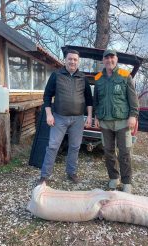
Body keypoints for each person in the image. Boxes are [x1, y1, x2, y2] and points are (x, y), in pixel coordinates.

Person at [39, 49, 93, 184]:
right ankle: (45, 176)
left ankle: (71, 172)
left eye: (75, 59)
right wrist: (49, 114)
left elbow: (89, 98)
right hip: (59, 117)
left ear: (78, 61)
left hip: (78, 119)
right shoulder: (56, 75)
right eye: (70, 59)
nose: (72, 61)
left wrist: (90, 116)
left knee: (75, 147)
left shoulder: (83, 78)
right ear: (65, 60)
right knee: (52, 146)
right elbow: (47, 96)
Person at [94, 49, 139, 193]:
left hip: (122, 122)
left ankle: (127, 181)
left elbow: (133, 99)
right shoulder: (98, 78)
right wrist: (96, 116)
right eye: (106, 58)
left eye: (112, 58)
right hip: (105, 121)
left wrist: (133, 115)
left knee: (124, 152)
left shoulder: (125, 76)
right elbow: (97, 101)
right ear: (103, 60)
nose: (109, 60)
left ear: (116, 59)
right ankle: (114, 177)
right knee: (108, 151)